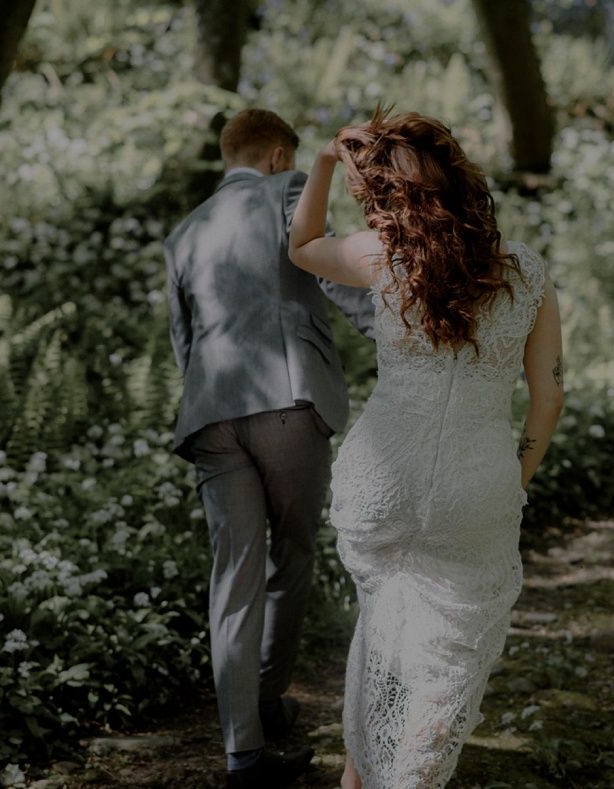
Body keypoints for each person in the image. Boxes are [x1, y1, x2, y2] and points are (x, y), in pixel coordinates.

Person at [288, 109, 565, 788]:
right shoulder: (526, 273)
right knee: (444, 664)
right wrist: (516, 476)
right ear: (465, 183)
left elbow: (303, 244)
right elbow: (549, 395)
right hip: (476, 484)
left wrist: (323, 162)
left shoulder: (382, 256)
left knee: (382, 637)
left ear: (392, 194)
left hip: (381, 479)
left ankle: (357, 779)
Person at [164, 108, 375, 789]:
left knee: (233, 575)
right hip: (287, 396)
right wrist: (400, 327)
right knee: (292, 554)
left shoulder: (182, 231)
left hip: (207, 414)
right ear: (281, 155)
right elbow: (339, 274)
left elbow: (183, 340)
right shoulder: (288, 193)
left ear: (231, 157)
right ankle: (265, 697)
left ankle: (243, 753)